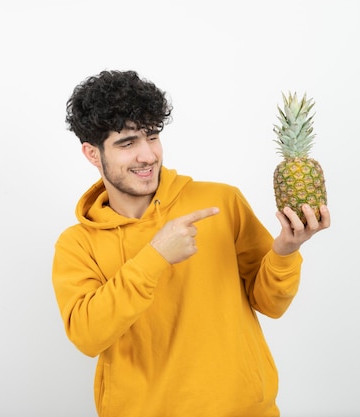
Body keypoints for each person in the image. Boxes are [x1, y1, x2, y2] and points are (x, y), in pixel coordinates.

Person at [52, 70, 330, 417]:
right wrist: (155, 256)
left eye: (152, 137)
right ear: (93, 154)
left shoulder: (220, 201)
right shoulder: (77, 244)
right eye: (127, 143)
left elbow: (270, 304)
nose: (148, 155)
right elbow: (88, 336)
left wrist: (286, 251)